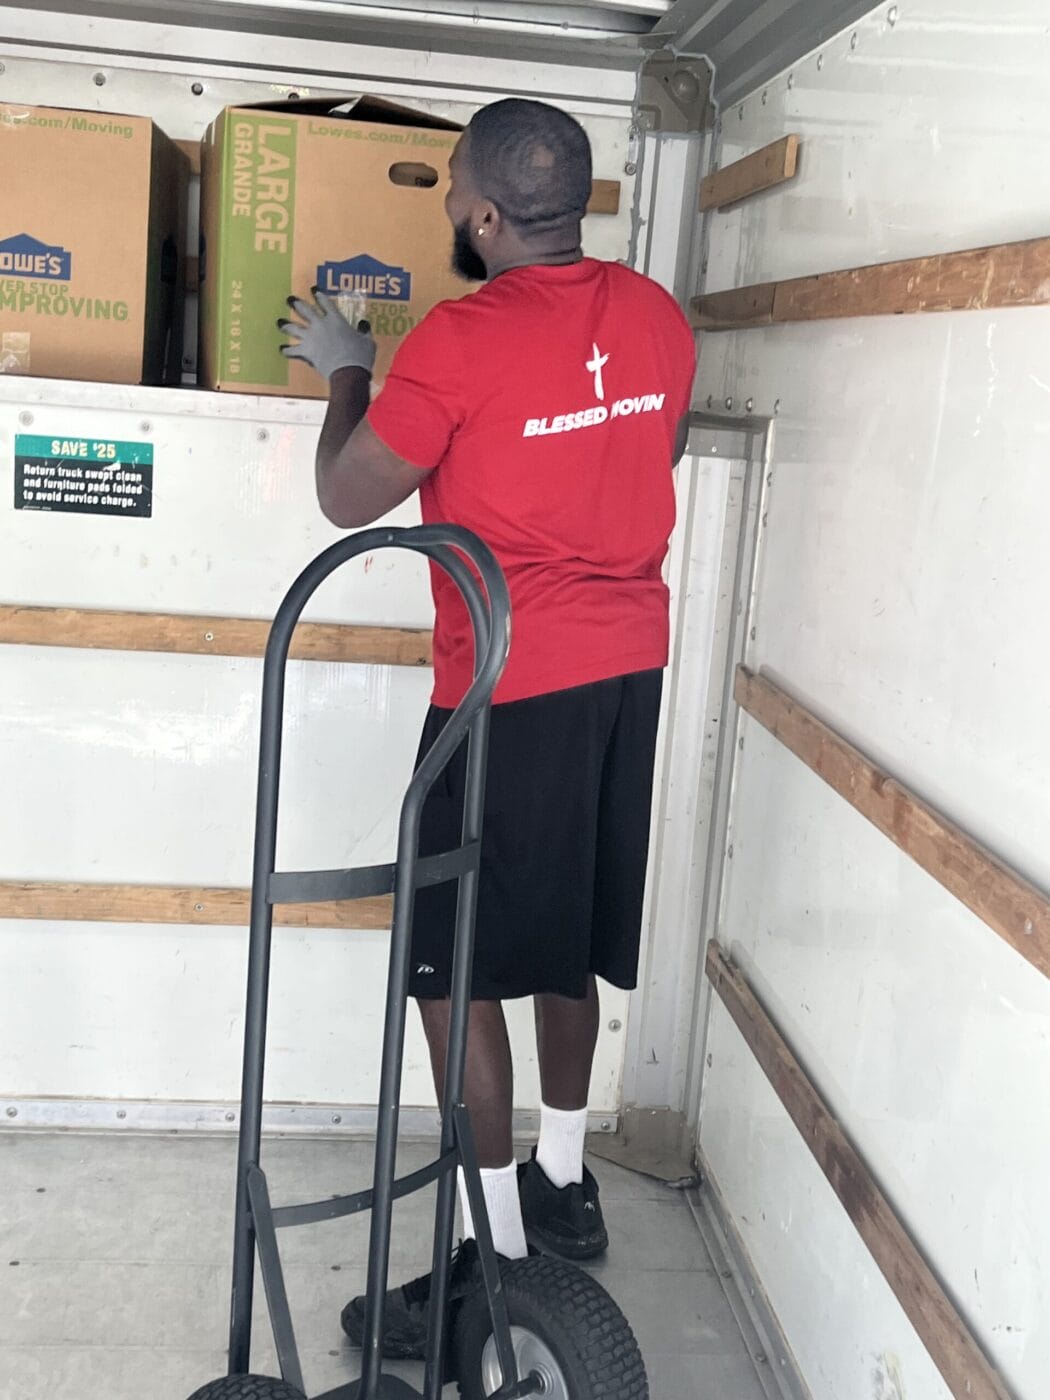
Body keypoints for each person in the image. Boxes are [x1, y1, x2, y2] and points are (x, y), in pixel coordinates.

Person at [278, 97, 696, 1359]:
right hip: (628, 668)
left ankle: (500, 1256)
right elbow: (652, 445)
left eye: (453, 187)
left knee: (450, 969)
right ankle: (562, 1179)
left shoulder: (457, 339)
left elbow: (349, 500)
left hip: (507, 686)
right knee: (563, 934)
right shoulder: (658, 317)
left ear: (478, 210)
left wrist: (349, 363)